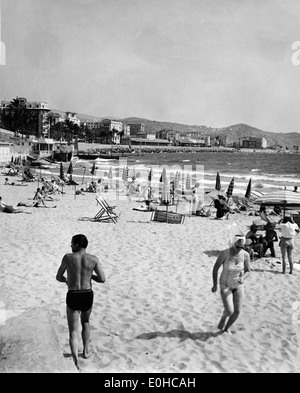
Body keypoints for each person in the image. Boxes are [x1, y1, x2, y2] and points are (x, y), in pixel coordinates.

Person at [56, 234, 106, 370]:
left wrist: (66, 280)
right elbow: (102, 279)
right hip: (87, 294)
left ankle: (76, 363)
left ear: (77, 244)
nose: (71, 246)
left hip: (73, 294)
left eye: (72, 243)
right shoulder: (93, 259)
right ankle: (85, 352)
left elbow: (58, 276)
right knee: (86, 322)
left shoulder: (68, 257)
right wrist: (90, 275)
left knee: (73, 330)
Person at [212, 235, 250, 333]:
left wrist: (243, 277)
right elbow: (215, 268)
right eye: (238, 246)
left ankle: (226, 328)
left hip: (238, 285)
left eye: (242, 247)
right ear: (233, 243)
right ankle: (224, 316)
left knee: (237, 312)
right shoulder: (225, 253)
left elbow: (248, 271)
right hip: (225, 284)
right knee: (229, 311)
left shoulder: (245, 255)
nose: (239, 249)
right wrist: (215, 284)